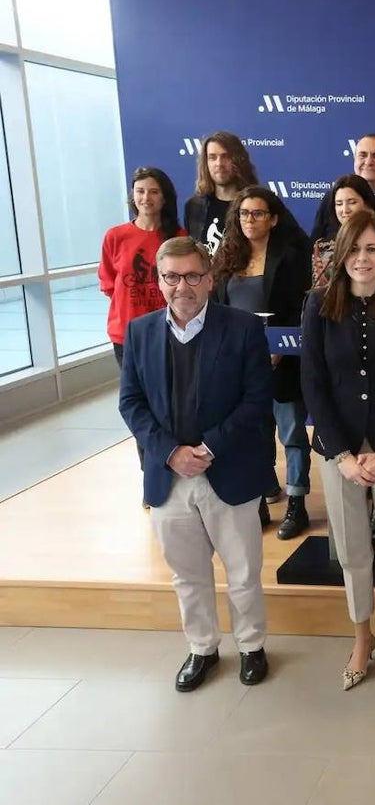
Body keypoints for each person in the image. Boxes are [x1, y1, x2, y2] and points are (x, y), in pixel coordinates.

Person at [117, 236, 273, 691]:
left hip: (228, 469)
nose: (180, 285)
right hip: (169, 475)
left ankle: (251, 646)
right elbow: (131, 402)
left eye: (190, 276)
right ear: (160, 280)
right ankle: (202, 647)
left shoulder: (243, 328)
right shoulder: (141, 331)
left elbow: (257, 399)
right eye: (171, 276)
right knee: (187, 575)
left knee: (243, 572)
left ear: (208, 279)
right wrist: (171, 452)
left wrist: (208, 448)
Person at [301, 209, 375, 692]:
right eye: (354, 248)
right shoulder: (318, 305)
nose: (363, 258)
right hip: (339, 449)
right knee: (352, 548)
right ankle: (362, 635)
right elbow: (313, 383)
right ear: (341, 254)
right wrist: (343, 456)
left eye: (373, 248)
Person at [212, 186, 313, 539]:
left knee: (292, 434)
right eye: (243, 214)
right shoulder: (226, 256)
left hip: (281, 361)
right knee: (252, 435)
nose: (249, 220)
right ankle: (258, 499)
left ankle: (297, 502)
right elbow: (219, 310)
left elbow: (298, 308)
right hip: (239, 366)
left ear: (272, 219)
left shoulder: (289, 255)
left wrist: (278, 348)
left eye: (257, 214)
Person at [99, 167, 186, 475]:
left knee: (171, 402)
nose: (146, 198)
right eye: (140, 191)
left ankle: (176, 465)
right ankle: (151, 473)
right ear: (132, 196)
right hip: (127, 336)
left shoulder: (178, 237)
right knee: (140, 406)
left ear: (164, 197)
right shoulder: (115, 236)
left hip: (171, 332)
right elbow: (109, 283)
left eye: (153, 191)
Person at [183, 131, 306, 255]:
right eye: (212, 157)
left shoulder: (262, 203)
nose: (219, 164)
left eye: (226, 156)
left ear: (239, 160)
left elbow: (300, 245)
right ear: (206, 162)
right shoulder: (194, 205)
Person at [311, 174, 375, 288]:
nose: (345, 210)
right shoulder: (322, 247)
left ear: (367, 204)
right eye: (339, 204)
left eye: (352, 202)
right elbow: (318, 291)